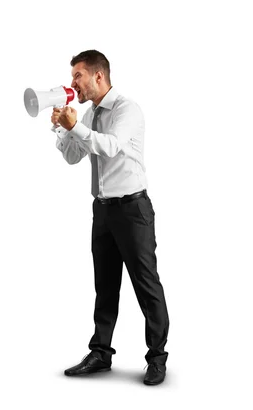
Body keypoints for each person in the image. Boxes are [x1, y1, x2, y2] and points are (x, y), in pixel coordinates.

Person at [51, 50, 170, 386]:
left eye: (78, 76)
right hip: (102, 210)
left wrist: (76, 126)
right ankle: (101, 353)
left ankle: (157, 358)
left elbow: (111, 146)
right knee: (105, 286)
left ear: (98, 76)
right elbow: (75, 157)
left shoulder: (126, 109)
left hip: (133, 210)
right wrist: (64, 130)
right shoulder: (89, 115)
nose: (72, 83)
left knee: (146, 287)